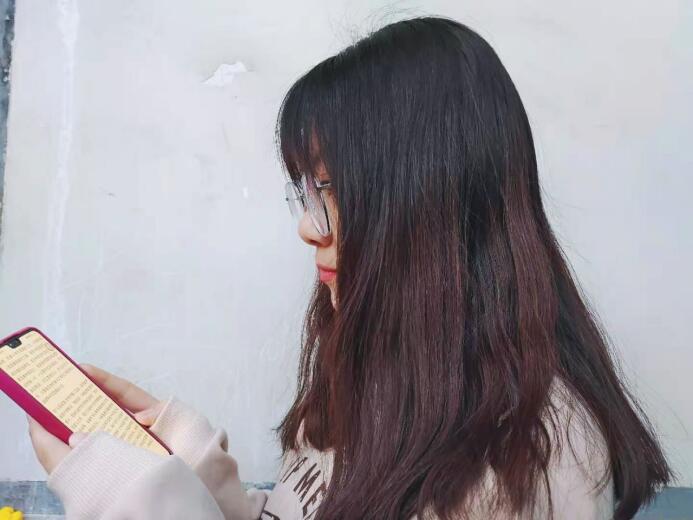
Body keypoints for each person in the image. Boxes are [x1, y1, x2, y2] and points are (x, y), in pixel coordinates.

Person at [27, 15, 671, 520]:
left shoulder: (527, 461)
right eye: (306, 192)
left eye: (329, 190)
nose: (309, 227)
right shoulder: (393, 366)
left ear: (423, 204)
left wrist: (135, 504)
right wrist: (195, 470)